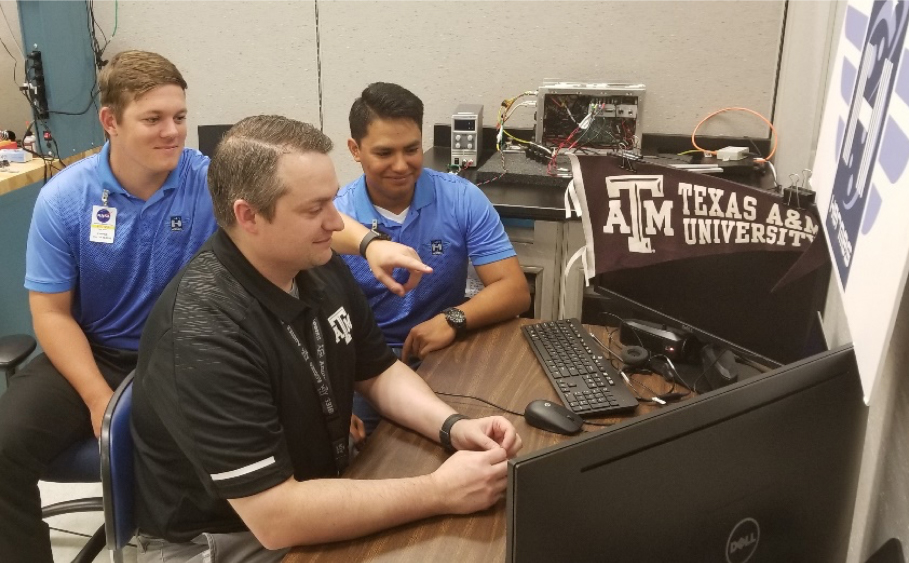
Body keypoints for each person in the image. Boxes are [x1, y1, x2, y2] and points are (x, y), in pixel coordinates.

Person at [0, 51, 428, 563]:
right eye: (153, 119)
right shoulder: (64, 199)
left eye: (180, 117)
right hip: (98, 350)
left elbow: (304, 209)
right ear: (110, 122)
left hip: (201, 347)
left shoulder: (207, 179)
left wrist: (371, 245)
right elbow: (50, 314)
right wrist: (99, 399)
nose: (172, 132)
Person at [131, 115, 522, 562]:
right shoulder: (203, 331)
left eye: (333, 202)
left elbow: (378, 371)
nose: (337, 224)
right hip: (230, 537)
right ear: (248, 215)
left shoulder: (312, 262)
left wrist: (453, 426)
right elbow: (276, 517)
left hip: (310, 494)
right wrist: (439, 491)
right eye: (314, 209)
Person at [336, 82, 530, 432]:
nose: (401, 165)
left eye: (411, 149)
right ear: (355, 149)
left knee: (488, 436)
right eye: (384, 153)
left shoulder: (461, 198)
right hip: (364, 366)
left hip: (446, 350)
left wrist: (453, 318)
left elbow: (514, 289)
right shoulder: (336, 216)